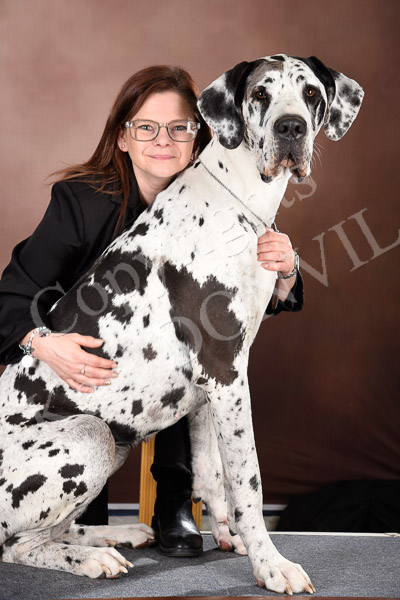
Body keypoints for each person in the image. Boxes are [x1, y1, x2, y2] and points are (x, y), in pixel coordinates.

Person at [0, 65, 304, 557]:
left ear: (201, 135)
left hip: (152, 394)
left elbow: (224, 323)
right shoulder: (79, 204)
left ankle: (178, 506)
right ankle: (54, 534)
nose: (163, 140)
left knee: (191, 355)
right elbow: (11, 297)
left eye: (179, 128)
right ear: (123, 138)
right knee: (96, 446)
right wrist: (45, 343)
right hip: (65, 409)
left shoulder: (222, 197)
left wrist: (287, 269)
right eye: (146, 127)